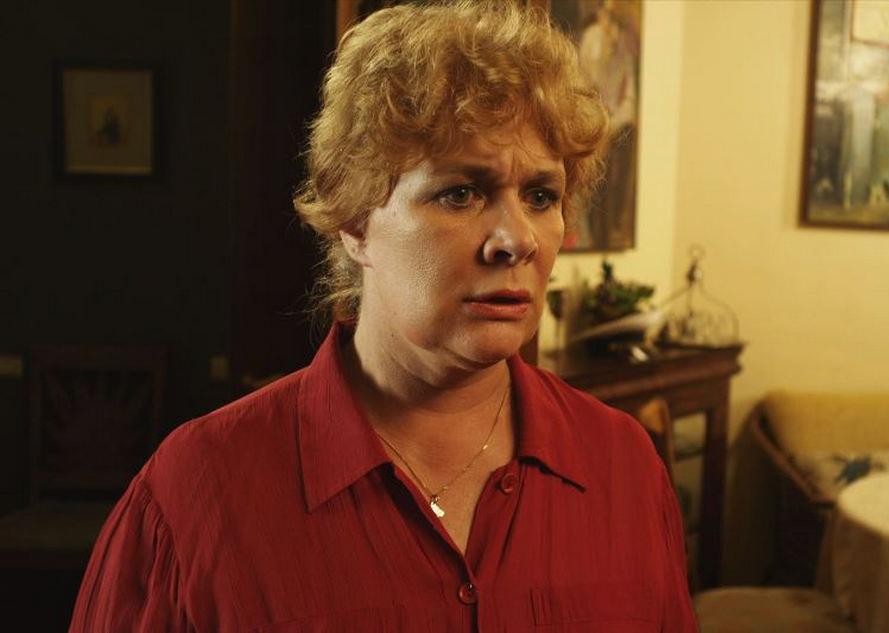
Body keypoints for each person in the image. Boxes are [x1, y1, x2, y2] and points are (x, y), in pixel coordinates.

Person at [69, 1, 697, 631]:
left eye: (540, 195)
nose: (516, 240)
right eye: (461, 193)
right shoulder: (196, 493)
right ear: (354, 219)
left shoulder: (624, 467)